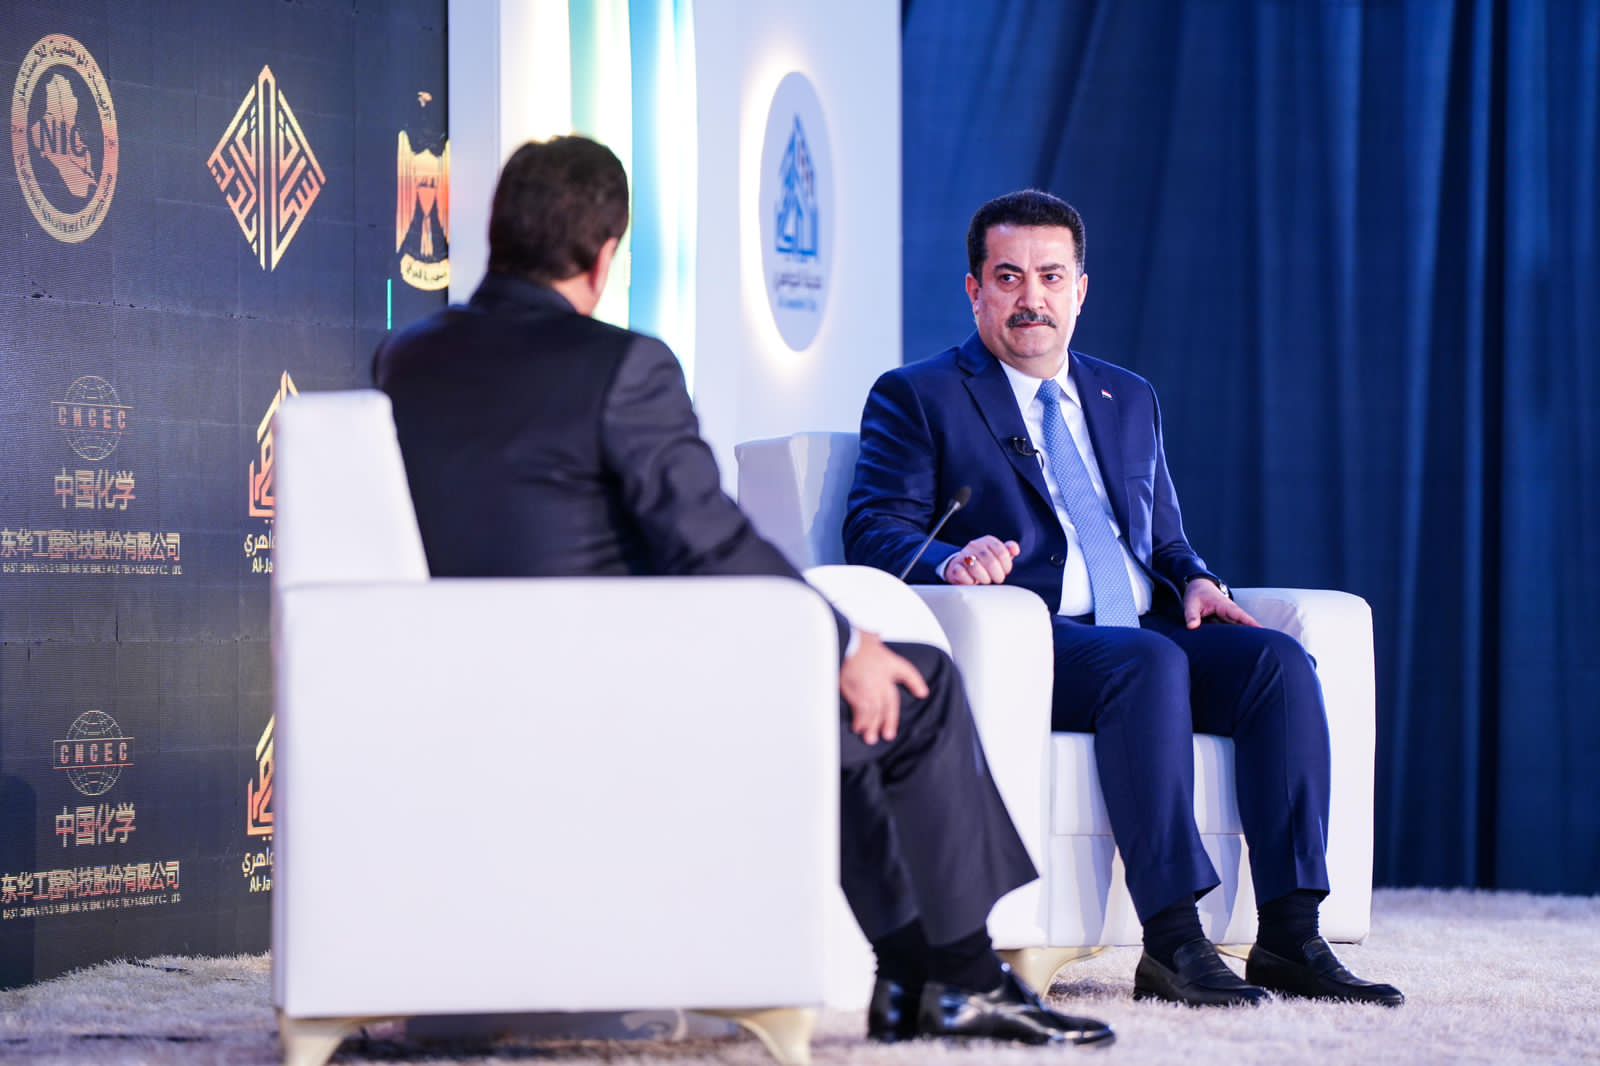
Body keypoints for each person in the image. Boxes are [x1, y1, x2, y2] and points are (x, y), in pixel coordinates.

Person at [373, 138, 1113, 1047]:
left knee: (842, 714)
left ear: (498, 234)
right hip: (612, 697)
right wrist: (846, 643)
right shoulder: (622, 366)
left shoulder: (406, 359)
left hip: (460, 691)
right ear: (605, 255)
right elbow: (709, 541)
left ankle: (909, 977)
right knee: (910, 689)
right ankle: (961, 977)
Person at [844, 189, 1404, 1009]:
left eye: (1050, 277)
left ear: (1080, 290)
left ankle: (1290, 935)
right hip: (1037, 635)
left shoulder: (1127, 396)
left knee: (1277, 664)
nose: (1031, 298)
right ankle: (1173, 941)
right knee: (1145, 662)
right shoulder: (918, 395)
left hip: (1140, 627)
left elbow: (1164, 538)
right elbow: (872, 529)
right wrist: (950, 557)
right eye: (1008, 277)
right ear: (975, 290)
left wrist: (1199, 579)